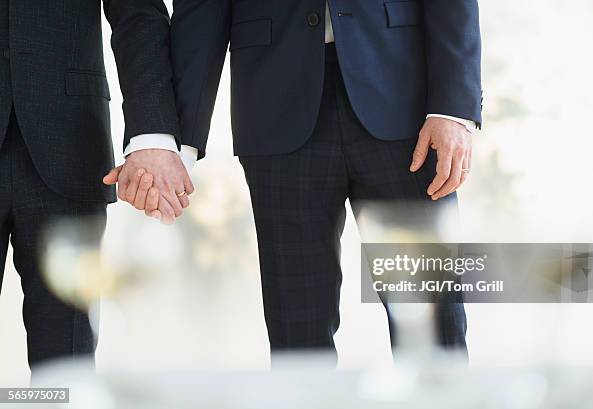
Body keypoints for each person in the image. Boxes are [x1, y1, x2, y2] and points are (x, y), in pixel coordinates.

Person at [114, 0, 482, 358]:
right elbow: (202, 10)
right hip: (276, 113)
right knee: (298, 340)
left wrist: (453, 108)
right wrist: (175, 146)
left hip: (407, 110)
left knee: (434, 324)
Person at [0, 0, 193, 368]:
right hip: (70, 144)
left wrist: (151, 136)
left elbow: (137, 13)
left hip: (69, 144)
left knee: (66, 373)